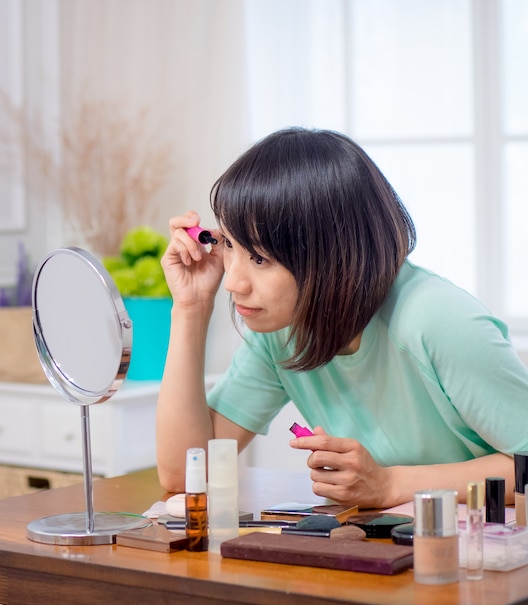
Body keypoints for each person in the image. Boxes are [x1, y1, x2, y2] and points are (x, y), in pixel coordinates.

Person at [157, 127, 528, 508]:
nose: (233, 283)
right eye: (230, 246)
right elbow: (184, 475)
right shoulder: (280, 330)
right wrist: (191, 308)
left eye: (260, 259)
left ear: (331, 255)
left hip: (487, 552)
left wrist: (391, 485)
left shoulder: (439, 320)